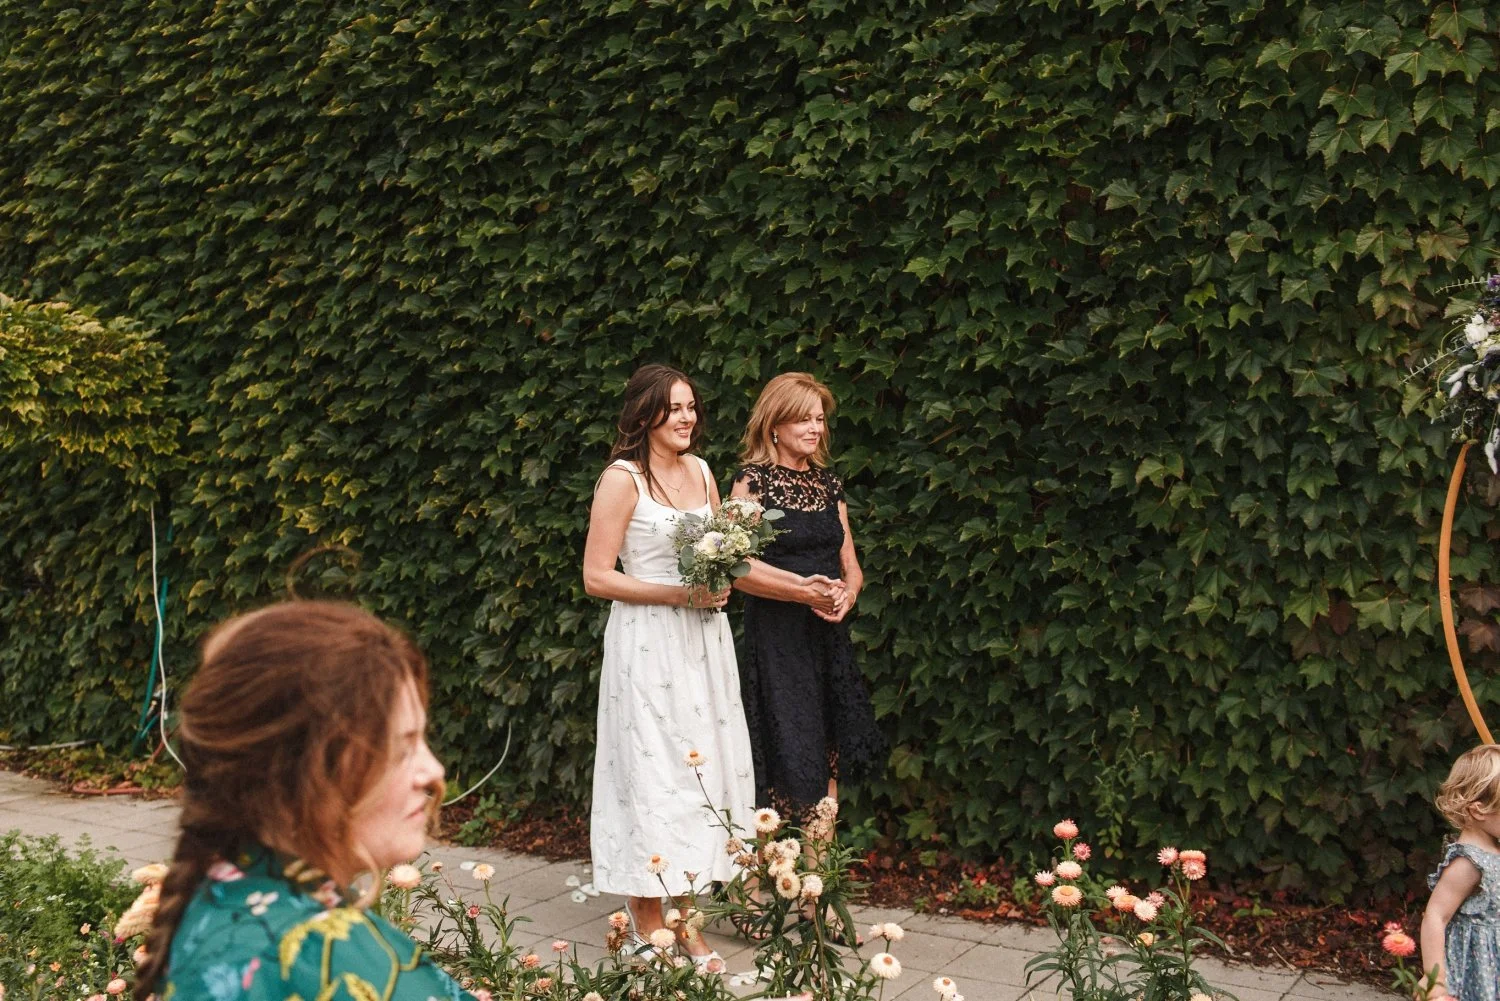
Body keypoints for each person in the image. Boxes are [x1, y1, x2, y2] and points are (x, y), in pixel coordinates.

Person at [133, 601, 473, 1001]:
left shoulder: (220, 901)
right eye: (401, 748)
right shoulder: (320, 957)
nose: (434, 771)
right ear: (298, 773)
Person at [582, 363, 755, 974]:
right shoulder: (622, 478)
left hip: (703, 644)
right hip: (647, 643)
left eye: (691, 407)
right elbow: (597, 576)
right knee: (650, 772)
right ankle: (648, 918)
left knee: (699, 775)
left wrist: (726, 574)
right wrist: (680, 595)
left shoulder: (703, 471)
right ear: (645, 413)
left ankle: (686, 917)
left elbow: (721, 555)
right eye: (674, 407)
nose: (687, 417)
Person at [730, 372, 886, 844]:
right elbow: (735, 567)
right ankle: (768, 876)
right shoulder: (752, 482)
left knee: (827, 753)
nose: (815, 428)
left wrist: (847, 596)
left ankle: (821, 877)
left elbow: (851, 567)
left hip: (826, 637)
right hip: (777, 639)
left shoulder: (828, 484)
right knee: (784, 752)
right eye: (803, 419)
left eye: (819, 419)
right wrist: (802, 590)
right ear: (775, 425)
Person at [1422, 743, 1500, 1001]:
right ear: (1479, 810)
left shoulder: (1495, 847)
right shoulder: (1468, 863)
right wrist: (1435, 979)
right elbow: (1436, 916)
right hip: (1477, 969)